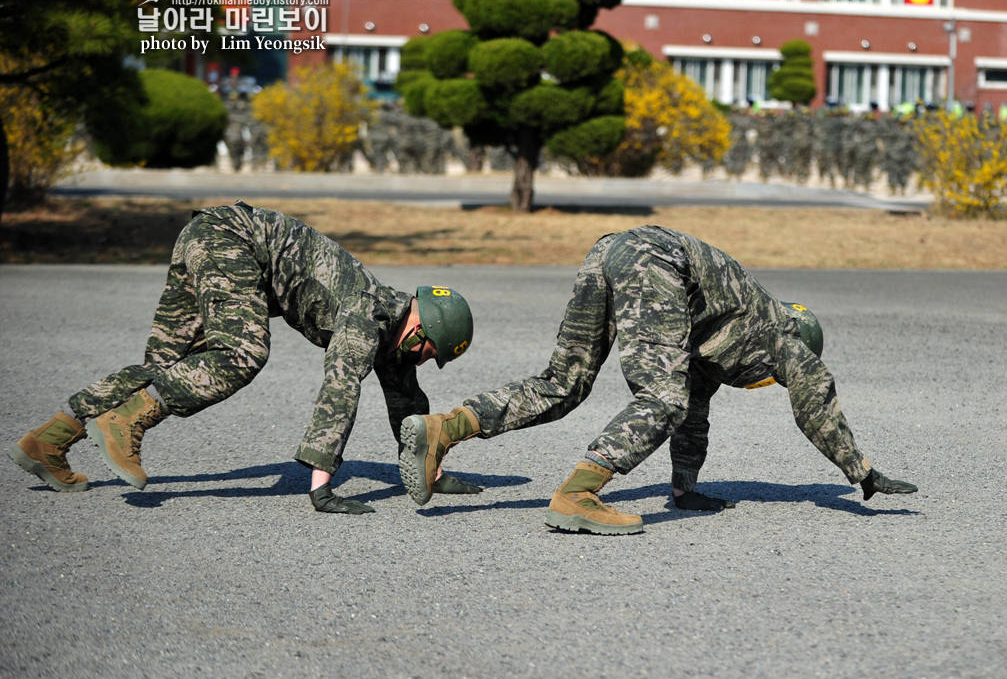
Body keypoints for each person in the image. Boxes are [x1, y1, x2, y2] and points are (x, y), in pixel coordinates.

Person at [397, 225, 917, 535]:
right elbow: (815, 396)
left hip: (613, 250)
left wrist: (685, 488)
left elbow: (696, 406)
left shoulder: (726, 327)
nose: (769, 381)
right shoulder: (779, 332)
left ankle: (444, 429)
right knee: (661, 397)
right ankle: (577, 495)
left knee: (565, 382)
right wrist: (861, 471)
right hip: (653, 259)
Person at [7, 202, 477, 514]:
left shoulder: (395, 329)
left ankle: (48, 441)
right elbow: (340, 390)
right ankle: (128, 420)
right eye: (427, 355)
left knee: (167, 367)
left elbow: (407, 403)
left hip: (206, 234)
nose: (418, 363)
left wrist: (432, 471)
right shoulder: (368, 313)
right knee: (243, 351)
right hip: (228, 238)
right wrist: (321, 487)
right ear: (420, 330)